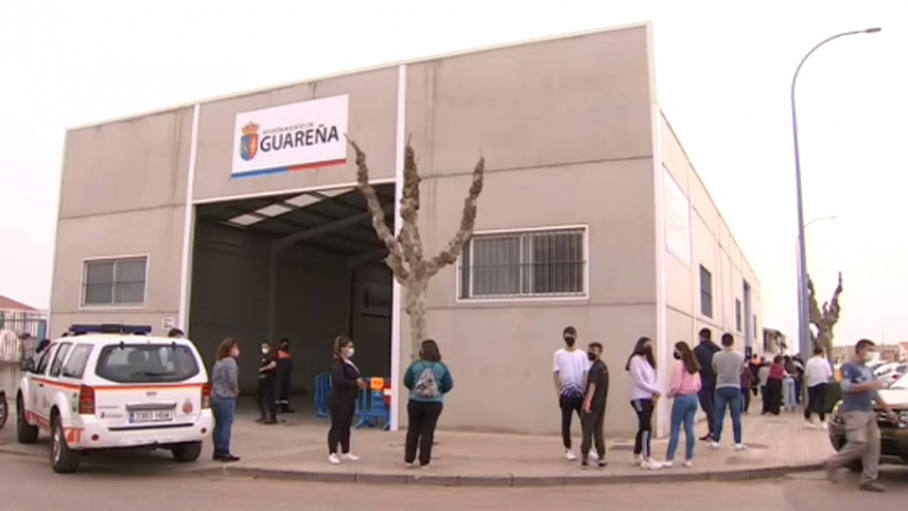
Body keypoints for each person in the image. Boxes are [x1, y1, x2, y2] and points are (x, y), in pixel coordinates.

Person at [825, 339, 900, 493]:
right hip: (854, 411)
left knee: (874, 446)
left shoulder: (869, 370)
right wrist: (870, 385)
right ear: (860, 350)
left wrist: (889, 411)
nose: (871, 354)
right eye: (869, 350)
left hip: (869, 411)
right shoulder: (848, 367)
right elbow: (846, 387)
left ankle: (868, 480)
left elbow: (874, 394)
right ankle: (833, 463)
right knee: (858, 442)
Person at [403, 339, 454, 467]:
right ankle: (424, 461)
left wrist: (415, 389)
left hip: (415, 401)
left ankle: (409, 459)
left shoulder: (416, 365)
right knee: (428, 432)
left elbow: (407, 381)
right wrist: (439, 391)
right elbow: (448, 384)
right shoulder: (441, 367)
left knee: (413, 430)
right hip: (434, 403)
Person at [553, 326, 590, 461]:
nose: (569, 337)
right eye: (566, 335)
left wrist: (586, 393)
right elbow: (556, 373)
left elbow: (586, 373)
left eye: (571, 335)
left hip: (580, 394)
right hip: (566, 394)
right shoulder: (558, 354)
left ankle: (587, 447)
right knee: (566, 423)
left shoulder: (582, 354)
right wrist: (558, 392)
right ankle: (568, 449)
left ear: (576, 336)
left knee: (585, 422)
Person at [327, 336, 366, 464]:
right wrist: (354, 383)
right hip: (339, 399)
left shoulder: (349, 362)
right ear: (341, 348)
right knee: (337, 426)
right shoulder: (337, 363)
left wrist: (360, 383)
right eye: (348, 347)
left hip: (349, 398)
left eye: (351, 347)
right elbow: (339, 380)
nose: (350, 349)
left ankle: (346, 451)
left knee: (346, 426)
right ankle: (332, 452)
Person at [664, 341, 701, 468]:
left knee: (675, 429)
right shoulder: (694, 366)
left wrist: (669, 393)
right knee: (689, 428)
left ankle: (669, 458)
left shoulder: (679, 366)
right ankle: (688, 458)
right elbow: (698, 385)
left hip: (681, 399)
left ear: (680, 352)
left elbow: (676, 385)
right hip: (693, 398)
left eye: (676, 350)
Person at [627, 336, 661, 470]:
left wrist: (654, 393)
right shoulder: (635, 360)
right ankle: (647, 457)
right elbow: (639, 381)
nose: (649, 348)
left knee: (643, 427)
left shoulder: (648, 361)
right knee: (647, 426)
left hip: (649, 397)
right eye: (646, 345)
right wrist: (654, 390)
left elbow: (654, 378)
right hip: (639, 397)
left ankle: (637, 454)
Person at [710, 333, 746, 451]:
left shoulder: (716, 355)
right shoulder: (740, 356)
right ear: (733, 342)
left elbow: (714, 369)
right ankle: (738, 442)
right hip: (735, 386)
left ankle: (716, 441)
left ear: (722, 342)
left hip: (720, 386)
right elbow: (741, 370)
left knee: (719, 415)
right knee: (736, 416)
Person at [211, 338, 241, 462]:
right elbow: (232, 379)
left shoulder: (218, 362)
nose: (237, 350)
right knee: (226, 425)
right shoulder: (230, 362)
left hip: (215, 396)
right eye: (235, 347)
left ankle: (217, 449)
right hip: (226, 396)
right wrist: (236, 390)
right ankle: (224, 451)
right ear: (230, 349)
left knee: (218, 424)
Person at [580, 342, 609, 469]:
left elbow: (592, 386)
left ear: (600, 352)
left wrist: (587, 402)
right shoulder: (604, 367)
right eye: (589, 349)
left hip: (592, 404)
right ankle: (601, 456)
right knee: (598, 431)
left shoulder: (596, 368)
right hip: (601, 405)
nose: (590, 352)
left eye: (593, 350)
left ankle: (585, 457)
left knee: (587, 431)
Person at [693, 328, 720, 441]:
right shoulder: (718, 349)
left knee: (708, 408)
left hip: (703, 381)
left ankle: (713, 432)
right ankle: (714, 431)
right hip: (716, 381)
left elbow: (693, 365)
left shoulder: (697, 350)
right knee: (713, 407)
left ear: (700, 336)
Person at [804, 347, 834, 429]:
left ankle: (807, 420)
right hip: (823, 383)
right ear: (822, 353)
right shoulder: (825, 362)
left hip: (811, 384)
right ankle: (823, 422)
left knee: (811, 402)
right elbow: (829, 375)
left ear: (814, 353)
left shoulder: (809, 362)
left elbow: (806, 374)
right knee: (822, 403)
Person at [257, 340, 278, 424]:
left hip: (270, 379)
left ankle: (273, 418)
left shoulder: (272, 355)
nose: (263, 348)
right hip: (262, 379)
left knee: (269, 398)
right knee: (258, 397)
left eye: (265, 347)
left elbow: (273, 365)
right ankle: (263, 415)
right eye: (262, 347)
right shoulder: (263, 356)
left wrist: (263, 368)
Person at [275, 338, 295, 413]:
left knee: (286, 390)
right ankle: (276, 408)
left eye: (287, 343)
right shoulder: (278, 352)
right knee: (278, 390)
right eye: (284, 343)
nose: (286, 345)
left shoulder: (288, 352)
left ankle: (285, 407)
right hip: (279, 374)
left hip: (287, 374)